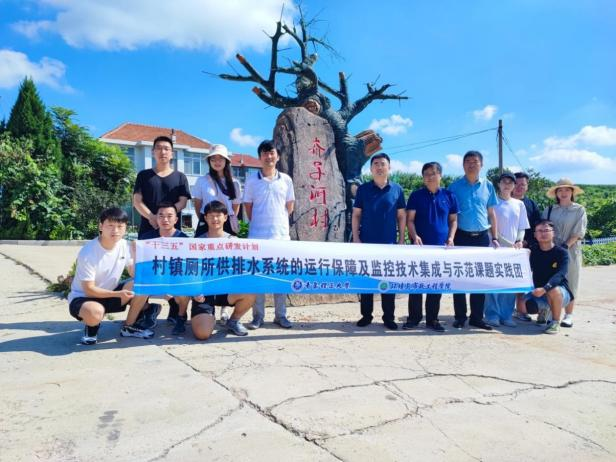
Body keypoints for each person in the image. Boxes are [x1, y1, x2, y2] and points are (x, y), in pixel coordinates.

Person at [68, 207, 152, 345]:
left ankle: (129, 326)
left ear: (125, 228)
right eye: (110, 226)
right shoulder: (88, 252)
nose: (115, 230)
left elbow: (134, 273)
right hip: (84, 298)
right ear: (101, 226)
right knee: (95, 312)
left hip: (111, 293)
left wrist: (136, 255)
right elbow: (89, 290)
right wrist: (118, 294)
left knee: (143, 282)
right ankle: (91, 328)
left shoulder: (124, 245)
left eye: (120, 226)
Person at [133, 135, 191, 324]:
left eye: (166, 148)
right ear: (153, 152)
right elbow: (137, 201)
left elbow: (182, 201)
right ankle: (145, 309)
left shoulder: (180, 177)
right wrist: (152, 217)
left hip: (173, 232)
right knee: (147, 268)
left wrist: (167, 218)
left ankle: (175, 308)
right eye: (158, 148)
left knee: (173, 268)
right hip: (148, 228)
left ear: (172, 153)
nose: (162, 151)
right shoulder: (144, 175)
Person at [243, 140, 295, 329]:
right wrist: (259, 222)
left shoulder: (286, 180)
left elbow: (290, 206)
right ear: (260, 157)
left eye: (272, 153)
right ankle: (258, 317)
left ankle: (281, 315)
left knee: (280, 277)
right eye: (264, 153)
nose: (268, 156)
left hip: (280, 237)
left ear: (277, 156)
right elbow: (248, 207)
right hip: (257, 237)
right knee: (258, 279)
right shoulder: (251, 180)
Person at [352, 152, 406, 330]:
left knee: (388, 282)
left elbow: (401, 216)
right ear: (371, 168)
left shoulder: (397, 190)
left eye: (383, 164)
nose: (379, 167)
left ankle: (389, 317)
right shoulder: (363, 189)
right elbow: (356, 215)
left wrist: (401, 240)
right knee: (366, 281)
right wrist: (356, 238)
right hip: (366, 243)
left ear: (389, 167)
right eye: (375, 164)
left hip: (389, 245)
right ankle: (366, 315)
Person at [447, 150, 499, 330]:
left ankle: (477, 318)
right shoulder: (454, 187)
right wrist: (450, 237)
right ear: (463, 165)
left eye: (475, 161)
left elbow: (491, 213)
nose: (471, 164)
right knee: (459, 277)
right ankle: (460, 317)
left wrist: (495, 237)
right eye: (467, 161)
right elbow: (451, 216)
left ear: (481, 164)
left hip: (482, 238)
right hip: (461, 236)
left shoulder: (488, 185)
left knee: (479, 279)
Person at [404, 161, 458, 332]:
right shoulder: (416, 196)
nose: (429, 177)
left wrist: (451, 237)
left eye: (433, 173)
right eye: (426, 174)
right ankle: (413, 319)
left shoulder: (449, 196)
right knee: (416, 284)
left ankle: (432, 319)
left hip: (441, 249)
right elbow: (410, 220)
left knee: (436, 285)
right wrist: (414, 236)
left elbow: (453, 220)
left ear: (440, 175)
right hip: (419, 248)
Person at [191, 201, 256, 339]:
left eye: (218, 215)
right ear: (205, 218)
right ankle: (209, 318)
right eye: (211, 215)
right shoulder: (197, 243)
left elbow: (243, 268)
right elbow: (191, 271)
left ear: (225, 217)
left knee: (251, 290)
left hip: (226, 289)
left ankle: (233, 321)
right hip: (204, 292)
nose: (215, 219)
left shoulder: (234, 241)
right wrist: (195, 290)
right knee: (202, 334)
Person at [135, 202, 192, 336]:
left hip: (175, 278)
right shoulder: (146, 238)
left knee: (185, 287)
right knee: (132, 286)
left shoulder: (184, 239)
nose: (165, 219)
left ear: (176, 219)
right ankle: (145, 312)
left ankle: (181, 317)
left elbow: (187, 267)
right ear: (156, 218)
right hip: (153, 278)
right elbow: (141, 264)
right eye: (161, 216)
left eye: (169, 216)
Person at [483, 172, 530, 327]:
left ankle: (506, 315)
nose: (507, 185)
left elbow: (522, 226)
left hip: (512, 252)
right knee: (492, 284)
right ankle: (492, 315)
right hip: (493, 248)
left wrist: (519, 241)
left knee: (509, 283)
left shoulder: (519, 204)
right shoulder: (492, 202)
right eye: (504, 182)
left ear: (514, 185)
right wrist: (504, 241)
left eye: (510, 182)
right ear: (499, 184)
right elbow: (489, 227)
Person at [542, 178, 587, 328]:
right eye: (560, 190)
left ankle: (569, 315)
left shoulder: (579, 210)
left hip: (571, 251)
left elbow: (578, 232)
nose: (563, 193)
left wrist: (564, 246)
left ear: (572, 192)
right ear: (556, 193)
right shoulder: (549, 210)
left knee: (571, 281)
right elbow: (543, 229)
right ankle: (551, 313)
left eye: (567, 189)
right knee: (551, 281)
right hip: (551, 251)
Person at [525, 220, 574, 334]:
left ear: (553, 233)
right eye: (539, 231)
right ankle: (544, 310)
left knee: (553, 290)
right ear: (535, 234)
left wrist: (545, 288)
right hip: (539, 291)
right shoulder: (532, 251)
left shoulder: (561, 252)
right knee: (525, 305)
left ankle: (555, 322)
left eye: (546, 230)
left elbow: (560, 274)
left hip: (560, 292)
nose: (543, 233)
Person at [512, 171, 542, 321]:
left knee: (522, 279)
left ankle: (521, 310)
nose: (519, 187)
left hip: (525, 249)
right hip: (504, 249)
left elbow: (537, 226)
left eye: (522, 184)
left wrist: (526, 242)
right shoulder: (502, 201)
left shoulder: (531, 204)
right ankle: (502, 312)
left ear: (527, 186)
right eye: (516, 184)